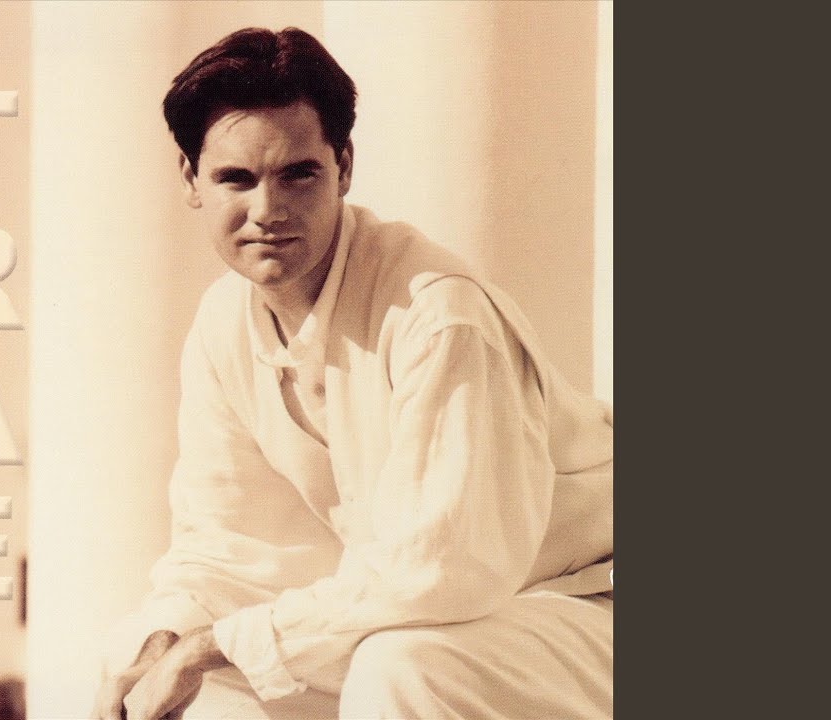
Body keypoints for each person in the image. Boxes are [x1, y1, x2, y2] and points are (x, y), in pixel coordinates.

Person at [93, 26, 614, 720]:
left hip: (588, 598)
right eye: (236, 179)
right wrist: (165, 644)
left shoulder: (438, 315)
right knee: (161, 672)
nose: (267, 211)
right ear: (191, 180)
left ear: (344, 166)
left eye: (298, 174)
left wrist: (210, 648)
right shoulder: (223, 323)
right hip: (468, 617)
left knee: (404, 669)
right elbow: (227, 549)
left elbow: (446, 568)